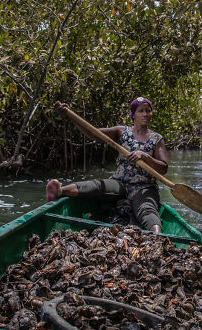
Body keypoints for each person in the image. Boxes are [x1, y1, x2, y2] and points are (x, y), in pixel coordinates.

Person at [46, 97, 168, 233]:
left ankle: (157, 237)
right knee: (97, 186)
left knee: (147, 210)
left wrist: (145, 157)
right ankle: (60, 190)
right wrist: (72, 116)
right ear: (133, 114)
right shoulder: (121, 131)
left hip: (144, 187)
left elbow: (163, 168)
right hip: (120, 182)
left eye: (148, 111)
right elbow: (93, 133)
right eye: (141, 111)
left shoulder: (157, 139)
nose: (145, 114)